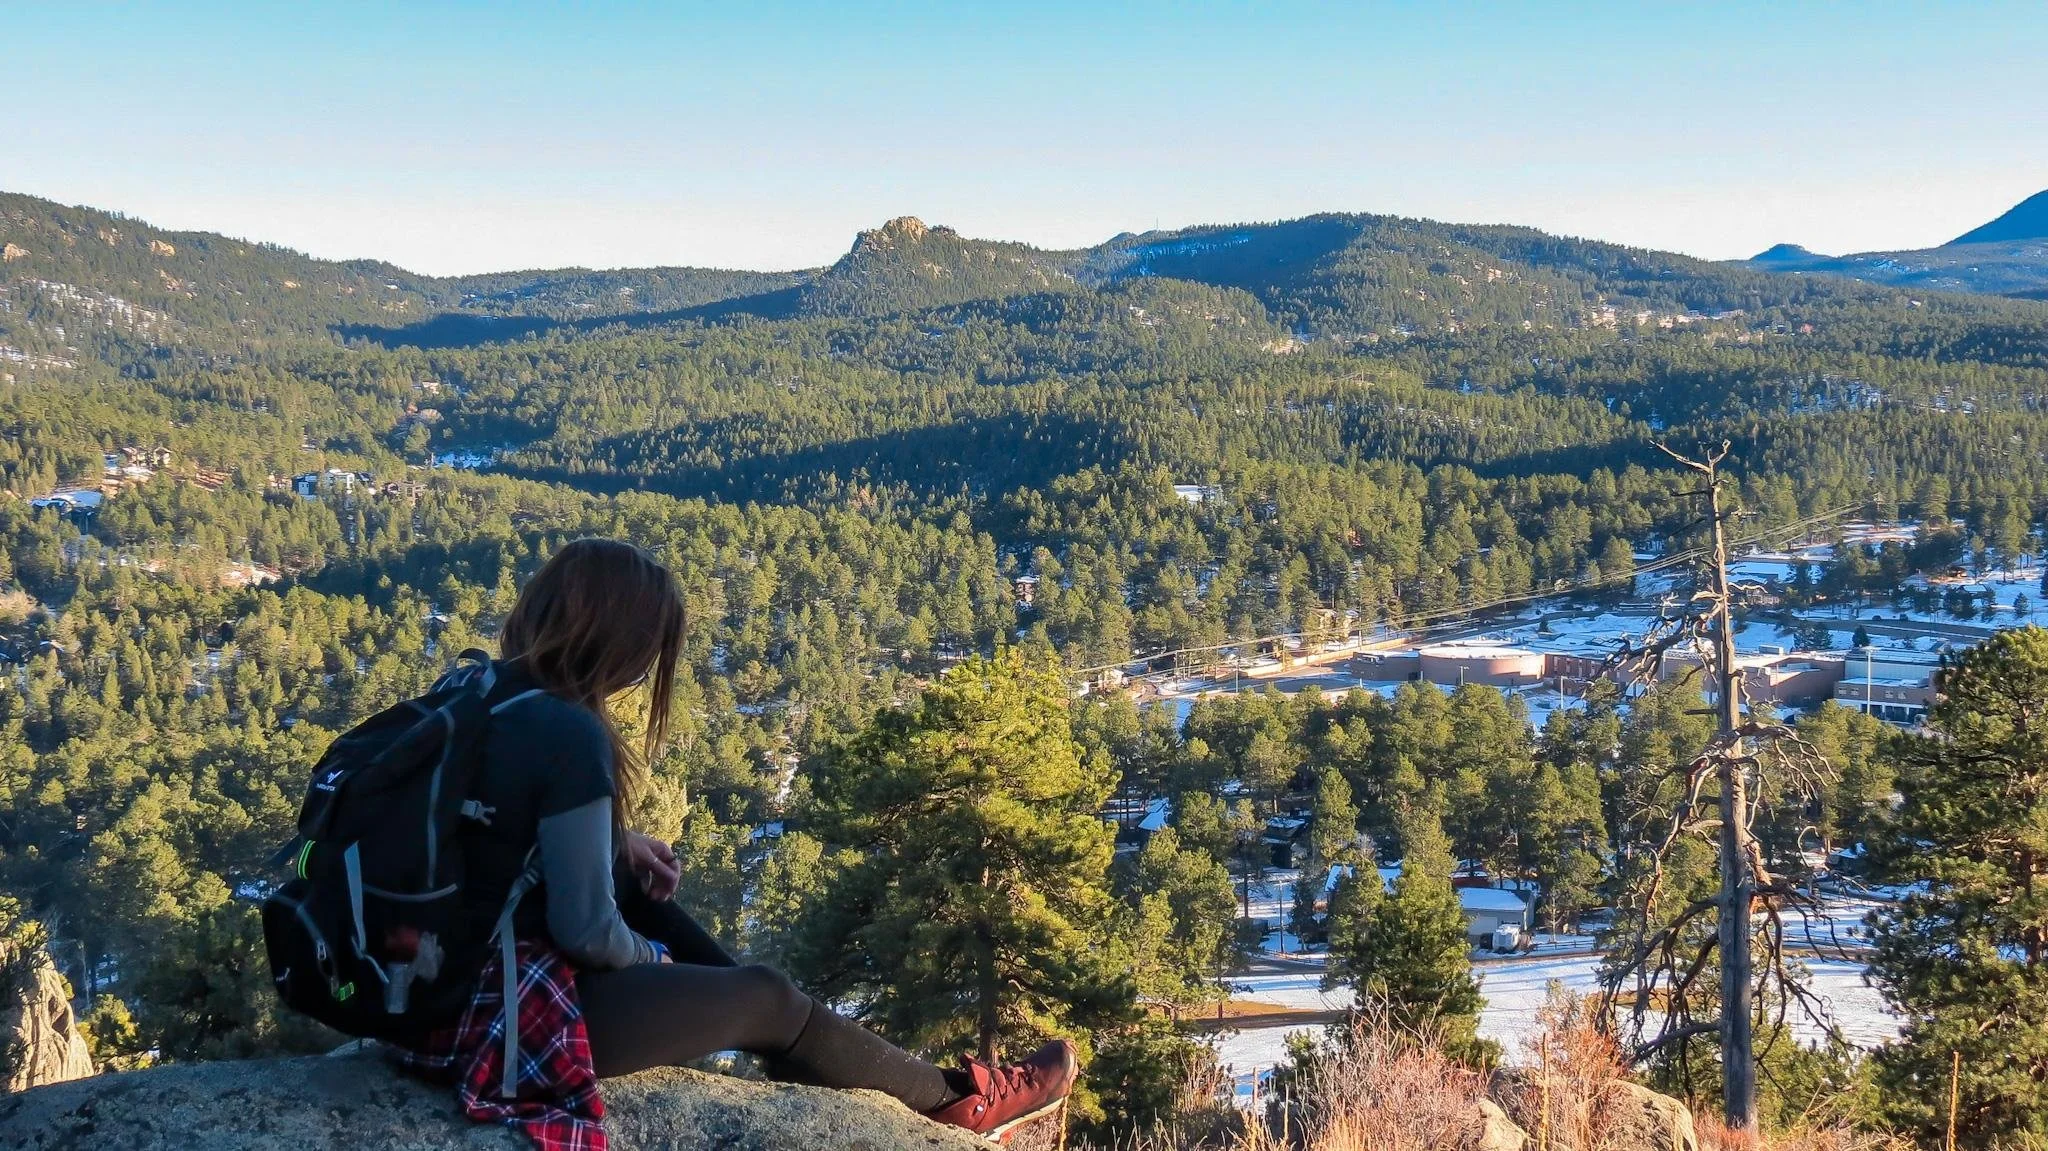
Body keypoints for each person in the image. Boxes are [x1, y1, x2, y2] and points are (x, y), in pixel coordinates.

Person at [391, 538, 1075, 1147]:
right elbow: (585, 931)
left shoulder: (472, 686)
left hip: (425, 995)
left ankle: (793, 1035)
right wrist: (650, 958)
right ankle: (960, 1101)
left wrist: (613, 839)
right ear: (620, 645)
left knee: (645, 896)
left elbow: (479, 820)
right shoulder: (571, 736)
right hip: (499, 1028)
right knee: (765, 997)